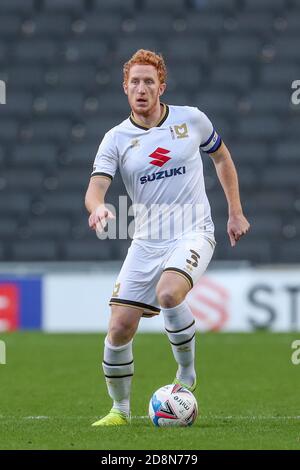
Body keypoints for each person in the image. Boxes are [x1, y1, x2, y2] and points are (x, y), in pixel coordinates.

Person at [85, 49, 250, 426]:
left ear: (162, 86)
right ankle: (120, 411)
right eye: (134, 83)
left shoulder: (191, 120)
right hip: (145, 240)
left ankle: (186, 375)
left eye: (148, 81)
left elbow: (222, 158)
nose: (141, 89)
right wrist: (97, 207)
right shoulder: (115, 139)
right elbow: (95, 188)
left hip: (193, 231)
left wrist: (235, 212)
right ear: (125, 89)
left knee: (169, 293)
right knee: (119, 328)